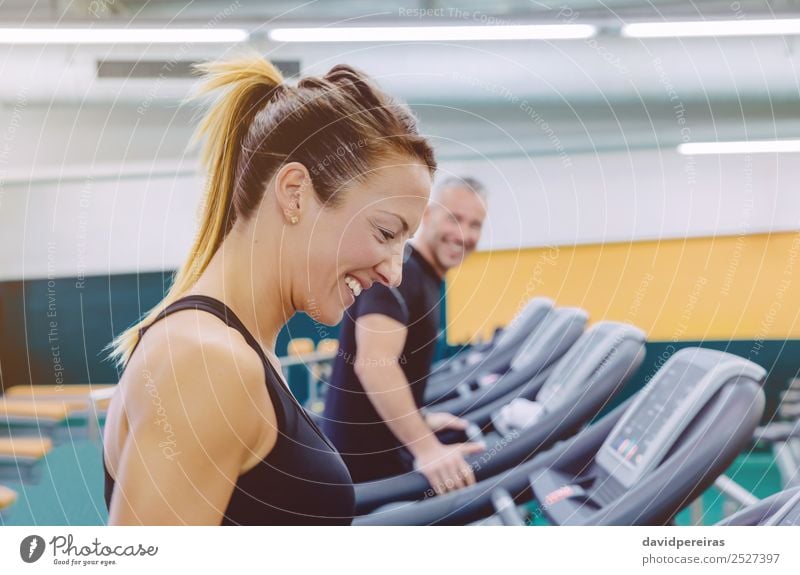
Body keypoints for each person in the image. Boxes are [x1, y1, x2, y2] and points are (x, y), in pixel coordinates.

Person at [103, 55, 436, 525]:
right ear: (295, 191)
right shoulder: (206, 362)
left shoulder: (239, 350)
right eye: (385, 233)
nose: (395, 273)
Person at [322, 176, 488, 493]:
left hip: (380, 460)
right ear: (427, 216)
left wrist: (420, 419)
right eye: (454, 219)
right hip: (361, 478)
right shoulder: (402, 273)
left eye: (475, 225)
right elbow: (374, 364)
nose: (463, 234)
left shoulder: (424, 278)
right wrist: (427, 448)